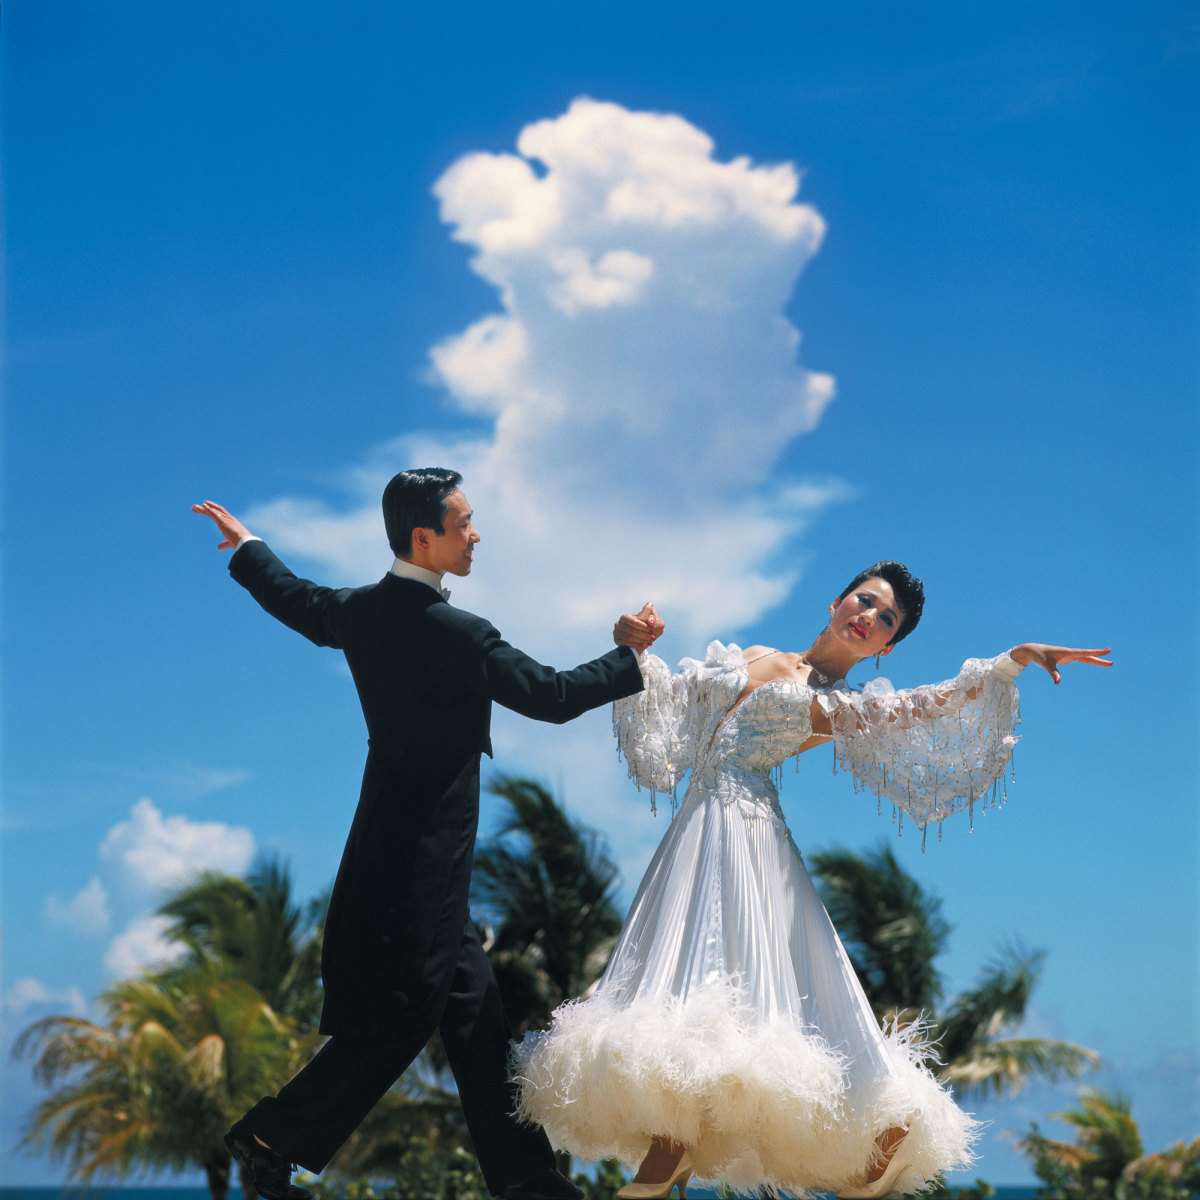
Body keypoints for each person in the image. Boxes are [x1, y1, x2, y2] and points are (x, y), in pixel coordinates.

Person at [512, 561, 1111, 1200]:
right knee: (679, 980)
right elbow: (673, 703)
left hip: (746, 831)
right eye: (866, 601)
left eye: (887, 621)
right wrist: (633, 647)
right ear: (837, 601)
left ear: (883, 648)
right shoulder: (753, 653)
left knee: (747, 984)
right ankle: (673, 1141)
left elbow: (925, 704)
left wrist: (1009, 663)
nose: (870, 617)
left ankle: (840, 1136)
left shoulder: (840, 704)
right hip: (694, 829)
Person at [192, 468, 660, 1200]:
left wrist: (249, 547)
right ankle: (268, 1136)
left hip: (391, 843)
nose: (476, 535)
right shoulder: (451, 630)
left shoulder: (362, 610)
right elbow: (551, 696)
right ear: (425, 537)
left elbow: (299, 602)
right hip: (425, 861)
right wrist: (629, 656)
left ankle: (531, 1184)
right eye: (465, 523)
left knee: (478, 1028)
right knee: (401, 1021)